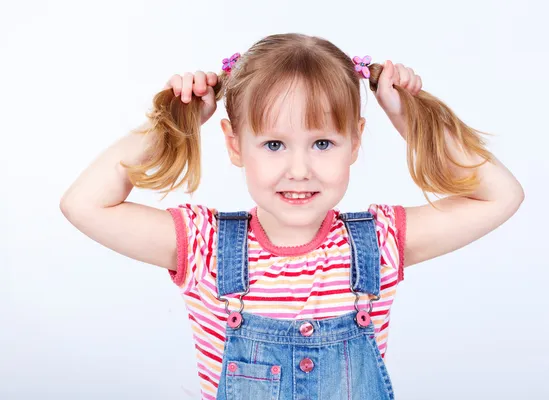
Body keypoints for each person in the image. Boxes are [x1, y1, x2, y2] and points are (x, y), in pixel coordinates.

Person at [60, 33, 524, 400]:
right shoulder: (202, 246)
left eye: (323, 143)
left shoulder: (379, 243)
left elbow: (500, 196)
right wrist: (174, 121)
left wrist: (411, 120)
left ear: (355, 142)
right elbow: (84, 204)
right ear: (235, 144)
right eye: (274, 144)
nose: (299, 170)